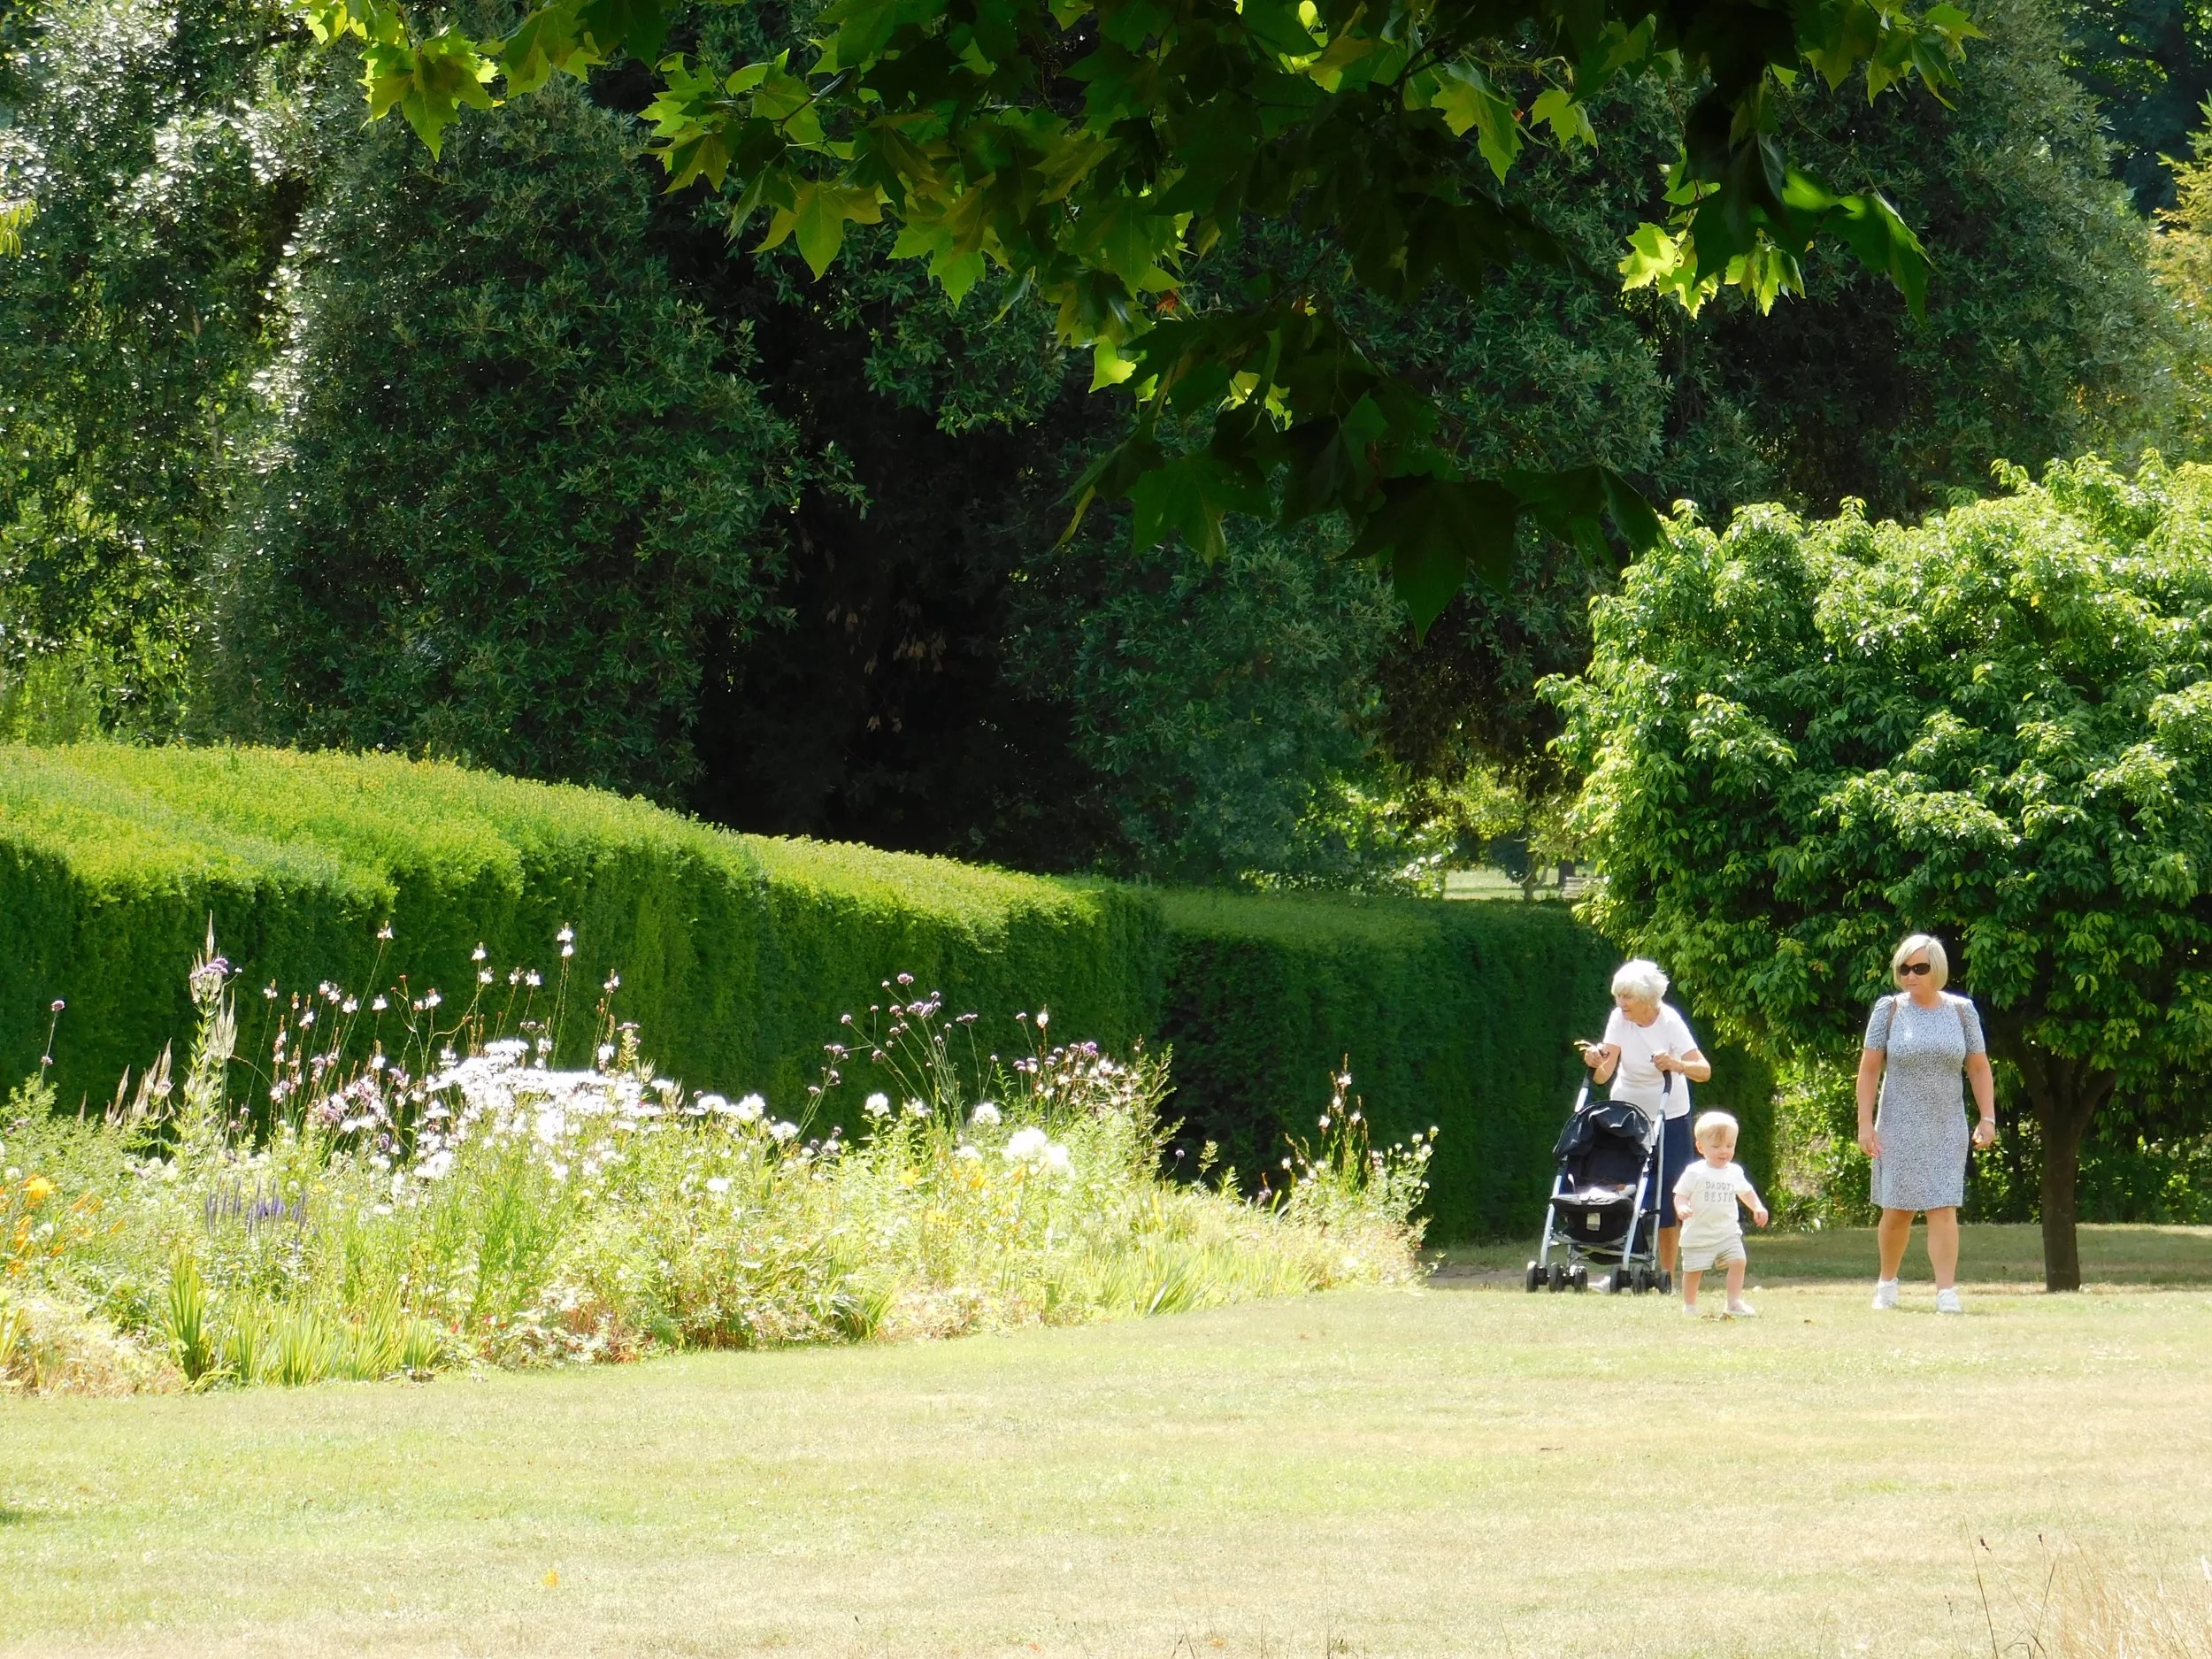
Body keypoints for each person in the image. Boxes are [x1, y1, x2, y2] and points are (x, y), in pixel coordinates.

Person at [1857, 933, 1998, 1314]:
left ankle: (1946, 1292)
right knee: (1897, 1209)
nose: (1910, 975)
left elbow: (1979, 1066)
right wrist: (1864, 1124)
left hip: (1946, 1124)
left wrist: (1988, 1117)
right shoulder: (1888, 1010)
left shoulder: (1961, 1011)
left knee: (1943, 1206)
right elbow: (1869, 1069)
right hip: (1897, 1122)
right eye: (1904, 968)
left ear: (1938, 969)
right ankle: (1887, 1283)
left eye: (1919, 968)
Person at [1580, 958, 1711, 1279]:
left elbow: (1704, 1071)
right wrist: (1595, 1060)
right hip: (1626, 1116)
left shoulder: (1670, 1022)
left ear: (1649, 999)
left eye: (1628, 997)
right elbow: (1603, 1075)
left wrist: (1675, 1064)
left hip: (1670, 1116)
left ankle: (1665, 1273)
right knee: (1622, 1187)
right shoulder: (1618, 1019)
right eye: (1618, 996)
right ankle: (1622, 1266)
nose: (1621, 1003)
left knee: (1669, 1194)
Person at [1673, 1110, 1769, 1317]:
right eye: (1716, 1146)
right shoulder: (1695, 1172)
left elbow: (1746, 1191)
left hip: (1727, 1232)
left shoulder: (1734, 1171)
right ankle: (1689, 1305)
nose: (1723, 1151)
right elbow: (1680, 1194)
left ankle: (1734, 1303)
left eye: (1729, 1145)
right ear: (1701, 1147)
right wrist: (1681, 1207)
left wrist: (1758, 1207)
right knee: (1693, 1271)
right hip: (1698, 1234)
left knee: (1738, 1261)